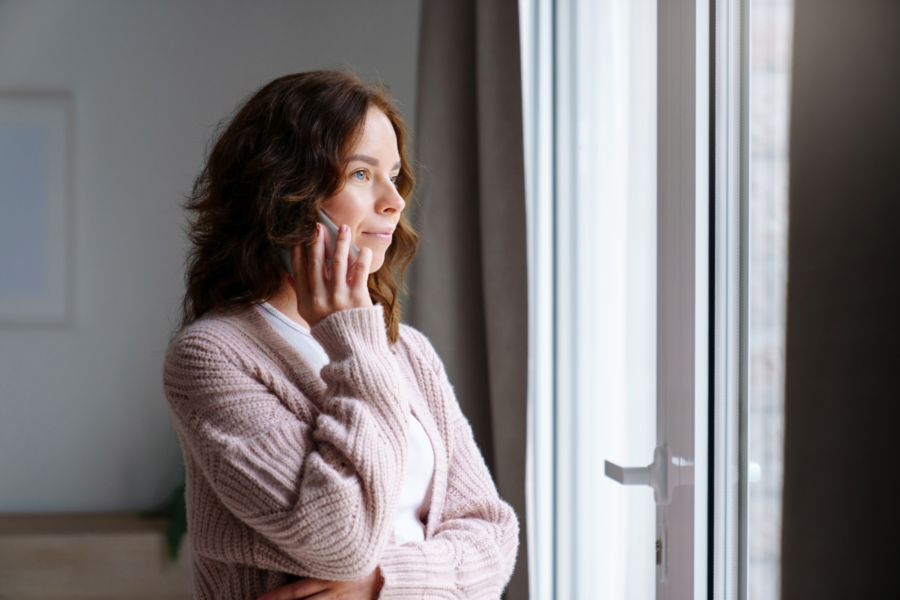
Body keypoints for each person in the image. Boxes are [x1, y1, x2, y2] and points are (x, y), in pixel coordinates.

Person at [163, 70, 519, 600]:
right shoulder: (212, 356)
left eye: (395, 176)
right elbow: (339, 543)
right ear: (285, 191)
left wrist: (382, 585)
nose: (394, 202)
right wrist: (351, 339)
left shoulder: (407, 352)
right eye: (361, 174)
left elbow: (494, 538)